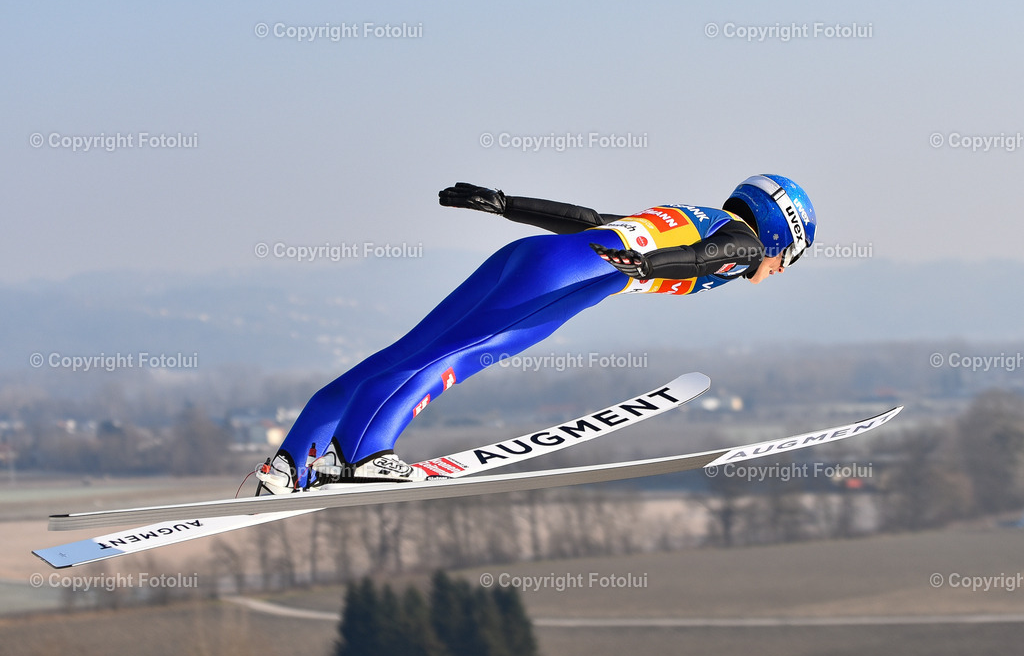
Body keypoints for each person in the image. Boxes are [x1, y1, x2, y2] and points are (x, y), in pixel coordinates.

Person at [255, 174, 817, 493]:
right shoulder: (740, 243)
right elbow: (701, 257)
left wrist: (506, 205)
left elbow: (588, 218)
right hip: (565, 276)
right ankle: (360, 455)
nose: (780, 268)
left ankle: (295, 457)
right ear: (777, 230)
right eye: (789, 255)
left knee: (413, 348)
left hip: (536, 257)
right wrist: (649, 268)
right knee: (458, 355)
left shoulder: (697, 213)